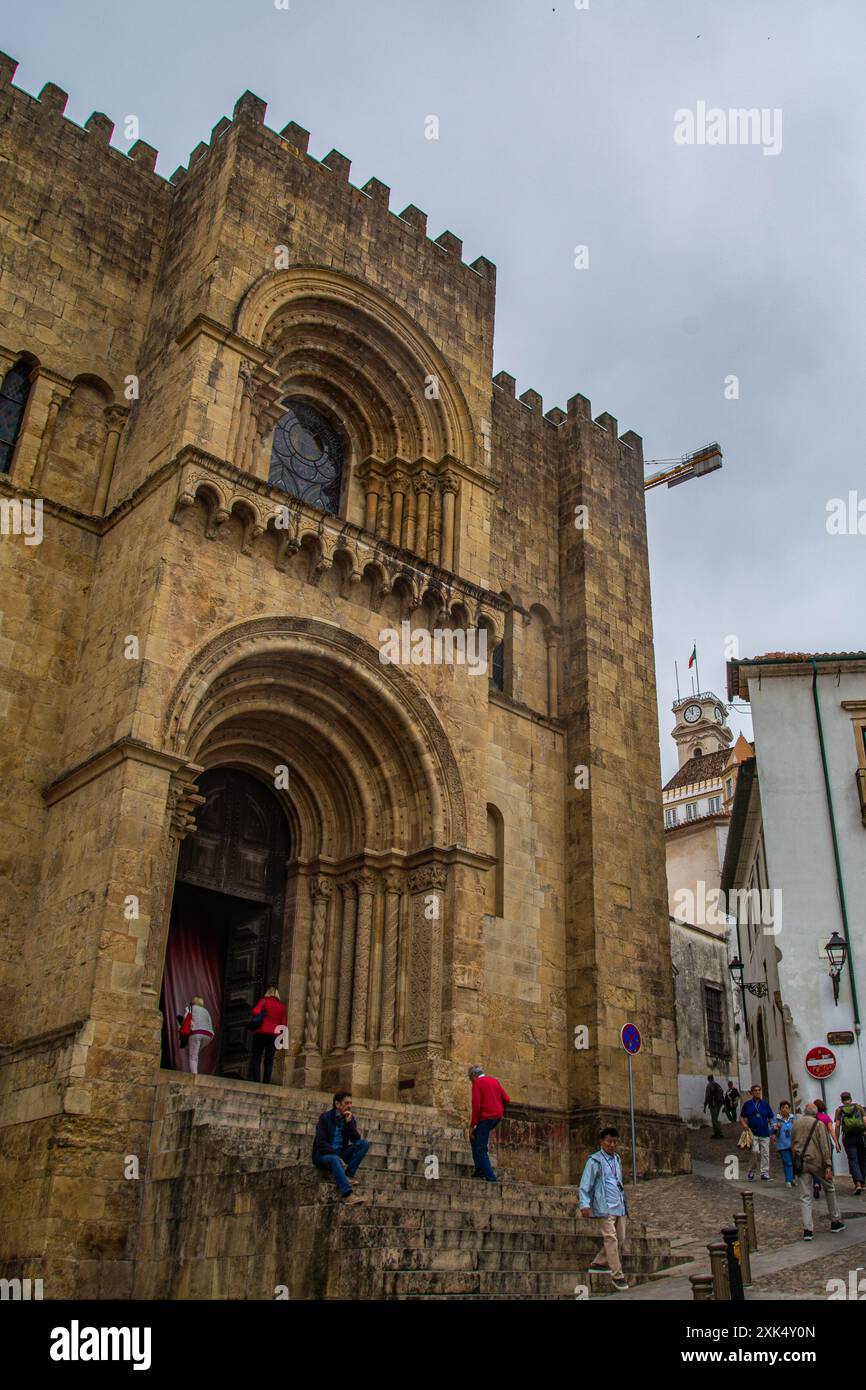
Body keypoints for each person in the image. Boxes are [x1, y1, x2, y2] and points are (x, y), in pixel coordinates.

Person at [579, 1127, 630, 1293]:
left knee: (620, 1238)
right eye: (609, 1141)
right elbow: (586, 1184)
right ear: (602, 1142)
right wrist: (584, 1204)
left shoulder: (617, 1159)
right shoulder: (594, 1161)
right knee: (611, 1238)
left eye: (615, 1142)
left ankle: (599, 1262)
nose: (612, 1145)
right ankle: (617, 1275)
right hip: (604, 1206)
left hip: (620, 1206)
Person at [791, 1102, 846, 1240]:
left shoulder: (796, 1124)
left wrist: (795, 1161)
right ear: (815, 1113)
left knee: (805, 1196)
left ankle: (808, 1230)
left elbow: (792, 1144)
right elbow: (825, 1145)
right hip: (817, 1163)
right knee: (829, 1189)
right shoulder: (818, 1124)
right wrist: (828, 1164)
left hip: (802, 1163)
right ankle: (835, 1220)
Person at [312, 1092, 369, 1203]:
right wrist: (335, 1156)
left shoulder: (349, 1118)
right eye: (346, 1103)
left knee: (364, 1143)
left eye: (350, 1103)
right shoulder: (325, 1118)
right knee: (334, 1159)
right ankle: (347, 1195)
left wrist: (349, 1124)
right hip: (323, 1155)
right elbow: (321, 1143)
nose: (349, 1106)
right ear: (337, 1104)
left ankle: (348, 1175)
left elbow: (356, 1140)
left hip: (340, 1154)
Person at [468, 1065, 510, 1182]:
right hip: (497, 1116)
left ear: (473, 1076)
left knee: (481, 1148)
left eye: (470, 1079)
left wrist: (472, 1126)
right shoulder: (494, 1081)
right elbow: (507, 1099)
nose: (471, 1082)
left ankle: (490, 1177)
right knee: (475, 1138)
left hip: (486, 1117)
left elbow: (476, 1106)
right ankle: (479, 1168)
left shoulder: (478, 1083)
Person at [249, 985, 287, 1085]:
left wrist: (263, 1011)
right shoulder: (282, 1007)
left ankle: (256, 1081)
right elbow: (284, 1024)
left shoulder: (264, 1001)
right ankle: (266, 1083)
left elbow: (255, 1011)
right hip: (274, 1036)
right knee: (269, 1060)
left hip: (261, 1033)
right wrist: (282, 1039)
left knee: (256, 1058)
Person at [740, 1083, 775, 1180]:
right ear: (751, 1093)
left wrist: (773, 1131)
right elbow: (742, 1116)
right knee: (754, 1152)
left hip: (764, 1132)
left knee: (765, 1154)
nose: (757, 1092)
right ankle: (752, 1170)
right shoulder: (747, 1105)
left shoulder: (765, 1104)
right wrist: (744, 1124)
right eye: (755, 1090)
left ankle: (764, 1172)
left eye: (759, 1090)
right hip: (753, 1133)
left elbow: (771, 1117)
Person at [833, 1091, 866, 1196]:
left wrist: (836, 1141)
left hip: (848, 1138)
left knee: (853, 1160)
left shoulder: (839, 1110)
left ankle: (858, 1183)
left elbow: (837, 1126)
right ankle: (863, 1182)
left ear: (842, 1100)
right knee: (862, 1159)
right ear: (850, 1099)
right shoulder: (858, 1108)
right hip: (860, 1137)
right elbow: (865, 1121)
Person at [179, 995, 214, 1075]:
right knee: (196, 1052)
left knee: (193, 1056)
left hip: (196, 1033)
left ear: (193, 1001)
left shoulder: (190, 1008)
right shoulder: (206, 1011)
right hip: (208, 1035)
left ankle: (194, 1076)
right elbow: (209, 1022)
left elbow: (185, 1020)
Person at [772, 1100, 795, 1186]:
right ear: (780, 1109)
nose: (785, 1110)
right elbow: (771, 1130)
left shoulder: (793, 1118)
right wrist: (775, 1127)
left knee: (793, 1162)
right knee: (787, 1162)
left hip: (793, 1144)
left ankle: (792, 1178)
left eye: (787, 1108)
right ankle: (788, 1180)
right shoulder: (777, 1119)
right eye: (783, 1108)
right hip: (782, 1144)